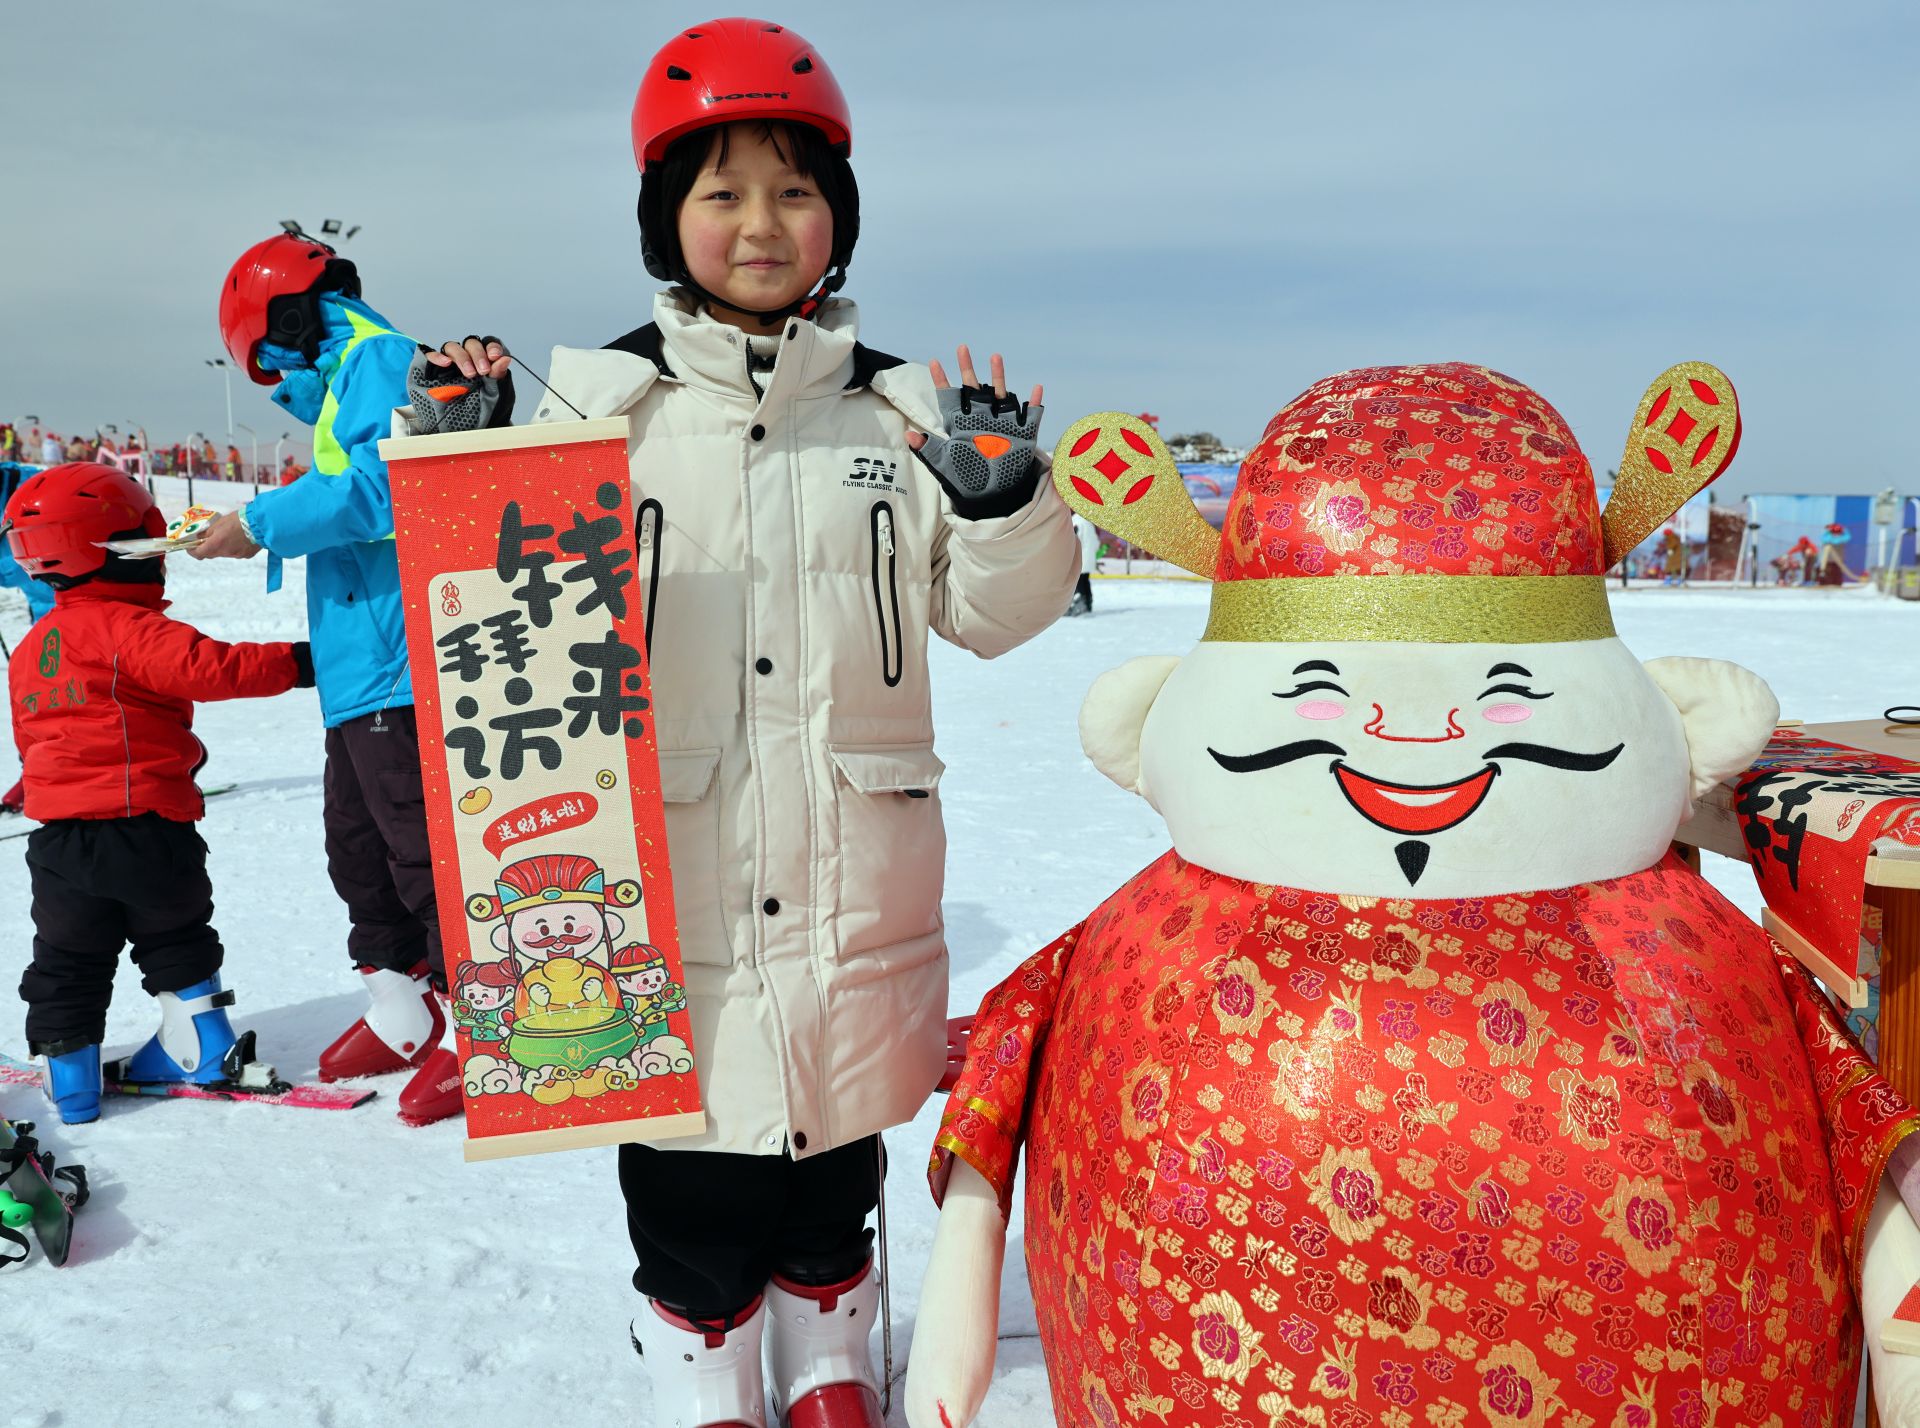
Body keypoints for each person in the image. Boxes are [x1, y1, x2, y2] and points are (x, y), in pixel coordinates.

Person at [417, 18, 1078, 1425]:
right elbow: (490, 642)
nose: (762, 222)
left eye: (795, 187)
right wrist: (466, 456)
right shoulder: (596, 407)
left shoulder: (901, 416)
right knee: (686, 1161)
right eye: (721, 191)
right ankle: (705, 1369)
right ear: (669, 221)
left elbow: (997, 614)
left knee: (831, 1150)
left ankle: (834, 1354)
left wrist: (1004, 499)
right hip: (661, 874)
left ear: (840, 214)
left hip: (853, 868)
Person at [193, 231, 460, 1127]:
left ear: (294, 315)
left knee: (422, 852)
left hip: (396, 663)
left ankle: (487, 1029)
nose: (270, 375)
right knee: (356, 848)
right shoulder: (341, 384)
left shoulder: (378, 359)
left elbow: (383, 491)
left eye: (269, 355)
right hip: (357, 671)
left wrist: (259, 521)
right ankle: (402, 1004)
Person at [3, 463, 312, 1124]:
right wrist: (299, 662)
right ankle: (202, 1044)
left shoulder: (32, 648)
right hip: (150, 827)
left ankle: (73, 1080)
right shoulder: (124, 626)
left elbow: (38, 733)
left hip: (61, 843)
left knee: (66, 958)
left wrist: (31, 786)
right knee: (174, 934)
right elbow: (212, 667)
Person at [1066, 513, 1099, 616]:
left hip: (1080, 558)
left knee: (1078, 582)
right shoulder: (1088, 524)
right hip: (1089, 558)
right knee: (1085, 581)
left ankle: (1079, 606)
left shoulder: (1076, 523)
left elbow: (1073, 540)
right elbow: (1096, 543)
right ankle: (1088, 604)